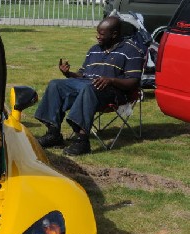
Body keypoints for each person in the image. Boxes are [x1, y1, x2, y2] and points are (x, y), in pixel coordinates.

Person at [34, 16, 145, 155]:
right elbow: (83, 75)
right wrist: (69, 74)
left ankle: (82, 141)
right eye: (97, 32)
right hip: (87, 85)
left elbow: (133, 82)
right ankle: (53, 134)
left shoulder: (131, 51)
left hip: (114, 91)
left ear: (114, 34)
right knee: (55, 84)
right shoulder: (94, 50)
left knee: (88, 89)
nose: (97, 36)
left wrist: (110, 80)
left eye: (102, 34)